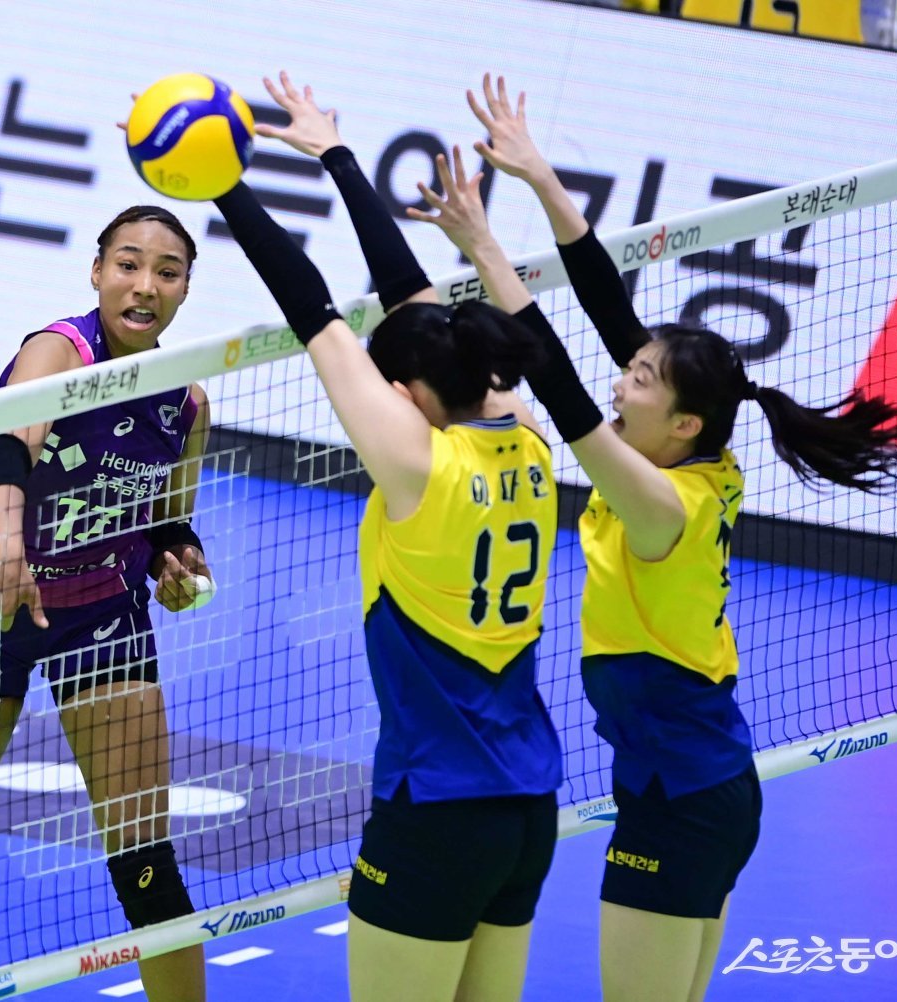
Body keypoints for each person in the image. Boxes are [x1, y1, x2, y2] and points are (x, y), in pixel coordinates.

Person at [407, 74, 897, 1002]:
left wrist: (487, 251)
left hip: (679, 803)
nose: (621, 380)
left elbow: (557, 380)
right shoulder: (699, 453)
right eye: (632, 369)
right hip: (700, 786)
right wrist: (532, 187)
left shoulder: (659, 505)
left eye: (638, 378)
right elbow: (606, 310)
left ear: (681, 421)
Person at [213, 72, 564, 1002]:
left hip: (434, 809)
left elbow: (312, 307)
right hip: (529, 804)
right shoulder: (526, 437)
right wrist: (334, 153)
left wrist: (221, 181)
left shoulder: (418, 466)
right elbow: (411, 300)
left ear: (406, 397)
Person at [0, 205, 211, 1000]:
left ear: (184, 290)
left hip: (101, 612)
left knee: (147, 860)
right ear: (97, 273)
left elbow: (169, 519)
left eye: (166, 272)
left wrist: (178, 560)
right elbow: (5, 448)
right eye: (128, 264)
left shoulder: (187, 403)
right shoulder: (56, 352)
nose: (145, 285)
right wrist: (5, 546)